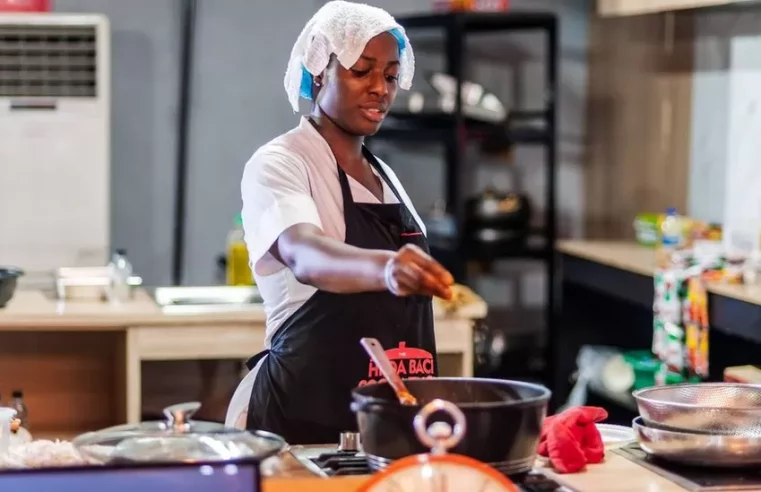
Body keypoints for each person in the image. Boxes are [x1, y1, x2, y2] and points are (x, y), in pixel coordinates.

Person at [225, 1, 454, 445]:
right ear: (319, 69)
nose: (380, 89)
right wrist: (386, 268)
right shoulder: (282, 163)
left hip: (387, 423)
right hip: (300, 423)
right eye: (361, 70)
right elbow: (304, 253)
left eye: (389, 75)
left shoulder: (385, 176)